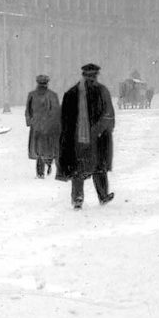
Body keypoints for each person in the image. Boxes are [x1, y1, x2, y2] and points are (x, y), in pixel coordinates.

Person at [57, 63, 115, 210]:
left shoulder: (103, 92)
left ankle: (103, 195)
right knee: (77, 168)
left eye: (94, 76)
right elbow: (64, 119)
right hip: (78, 139)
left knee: (99, 167)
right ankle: (77, 198)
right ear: (83, 76)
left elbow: (109, 114)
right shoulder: (72, 94)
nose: (91, 79)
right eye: (89, 76)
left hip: (99, 138)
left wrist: (99, 129)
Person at [25, 74, 60, 178]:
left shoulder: (33, 94)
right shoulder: (52, 95)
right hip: (46, 126)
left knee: (40, 150)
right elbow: (56, 111)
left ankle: (42, 170)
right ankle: (46, 167)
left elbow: (28, 110)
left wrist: (30, 121)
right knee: (47, 149)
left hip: (39, 126)